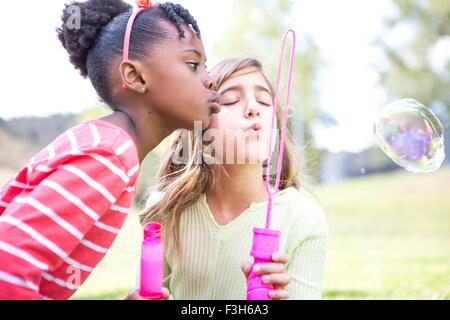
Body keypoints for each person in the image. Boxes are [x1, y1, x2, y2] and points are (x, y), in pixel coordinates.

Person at [0, 0, 220, 300]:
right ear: (135, 76)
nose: (210, 78)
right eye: (193, 65)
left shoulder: (108, 146)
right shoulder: (109, 154)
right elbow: (7, 270)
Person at [135, 57, 328, 300]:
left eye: (264, 101)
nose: (253, 108)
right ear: (201, 127)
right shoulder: (166, 209)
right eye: (231, 100)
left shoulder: (303, 217)